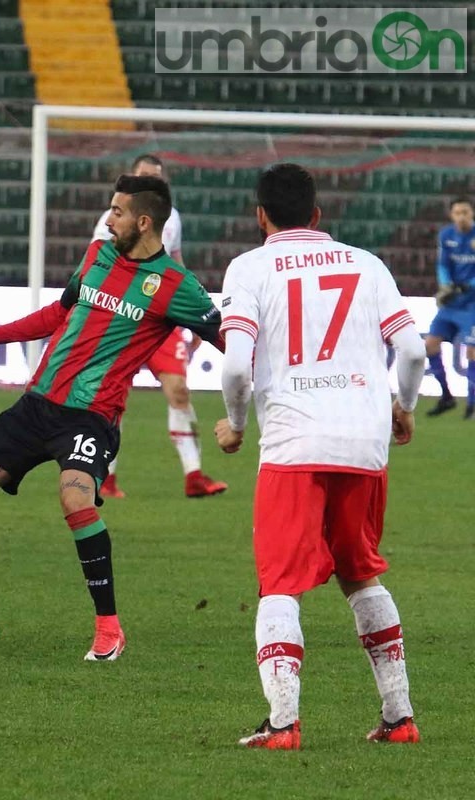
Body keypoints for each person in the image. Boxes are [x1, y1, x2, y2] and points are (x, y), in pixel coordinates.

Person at [0, 174, 222, 659]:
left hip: (91, 418)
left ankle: (109, 628)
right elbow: (57, 314)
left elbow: (229, 341)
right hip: (37, 404)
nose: (109, 219)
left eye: (118, 211)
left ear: (143, 221)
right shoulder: (96, 256)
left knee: (75, 500)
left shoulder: (177, 287)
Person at [215, 163, 426, 750]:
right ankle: (399, 716)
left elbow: (235, 364)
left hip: (293, 443)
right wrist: (403, 407)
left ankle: (282, 724)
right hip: (364, 441)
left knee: (280, 583)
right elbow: (410, 348)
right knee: (360, 572)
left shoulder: (250, 267)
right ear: (317, 215)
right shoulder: (367, 264)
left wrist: (234, 424)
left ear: (260, 216)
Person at [90, 155, 226, 499]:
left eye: (157, 177)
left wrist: (194, 314)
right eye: (146, 176)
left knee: (179, 390)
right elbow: (98, 262)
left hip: (162, 315)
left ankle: (194, 476)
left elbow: (176, 260)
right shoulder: (112, 219)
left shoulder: (171, 216)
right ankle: (105, 477)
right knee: (113, 395)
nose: (152, 182)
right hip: (125, 314)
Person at [422, 197, 475, 417]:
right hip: (451, 302)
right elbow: (442, 264)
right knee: (430, 345)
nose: (461, 216)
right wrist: (445, 286)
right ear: (452, 215)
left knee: (472, 351)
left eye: (465, 212)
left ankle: (472, 403)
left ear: (472, 213)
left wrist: (465, 286)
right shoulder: (446, 235)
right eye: (457, 213)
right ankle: (446, 396)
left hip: (472, 304)